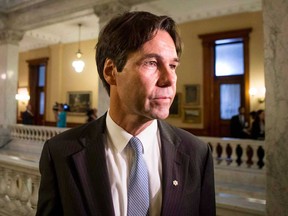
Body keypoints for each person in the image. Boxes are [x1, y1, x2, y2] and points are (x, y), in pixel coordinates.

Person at [36, 11, 215, 216]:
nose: (169, 79)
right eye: (152, 63)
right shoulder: (60, 153)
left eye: (172, 66)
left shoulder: (197, 153)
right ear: (111, 71)